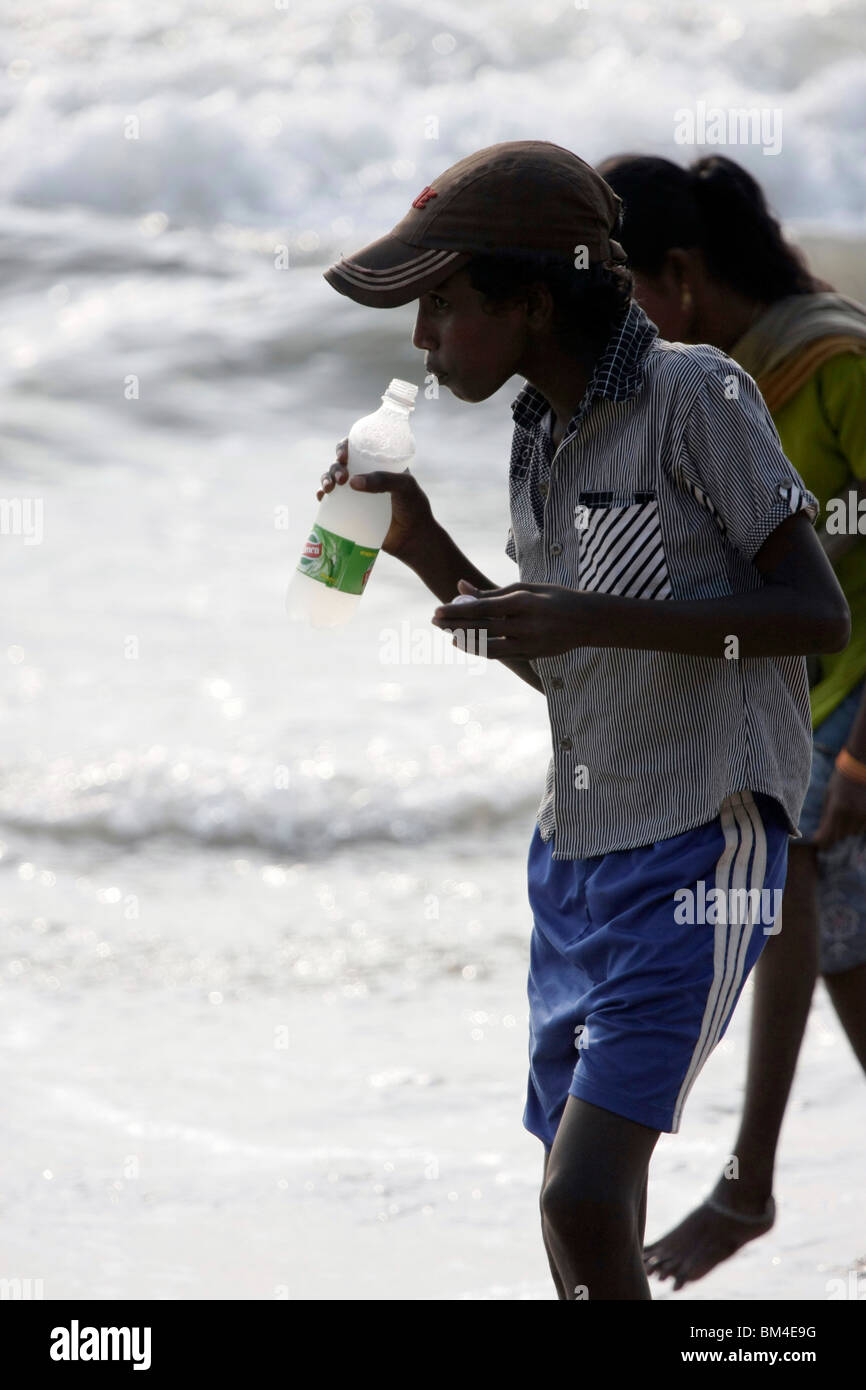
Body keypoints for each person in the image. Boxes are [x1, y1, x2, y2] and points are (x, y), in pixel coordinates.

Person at [316, 140, 850, 1299]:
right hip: (571, 861)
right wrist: (420, 552)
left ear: (532, 296)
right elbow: (570, 668)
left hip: (702, 842)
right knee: (568, 1202)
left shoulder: (693, 394)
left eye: (445, 305)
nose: (423, 339)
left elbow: (811, 613)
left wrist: (583, 610)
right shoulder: (534, 434)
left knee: (582, 1193)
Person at [597, 151, 866, 1290]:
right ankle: (748, 1182)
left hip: (848, 704)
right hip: (805, 699)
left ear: (682, 271)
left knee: (785, 865)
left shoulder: (834, 362)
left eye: (624, 294)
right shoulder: (711, 386)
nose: (614, 325)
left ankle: (749, 1180)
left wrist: (859, 750)